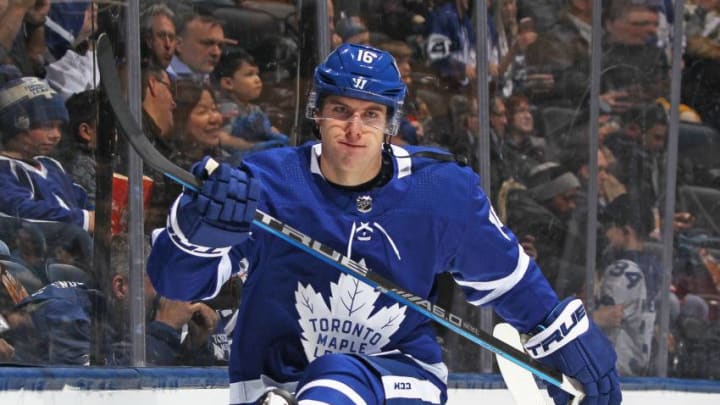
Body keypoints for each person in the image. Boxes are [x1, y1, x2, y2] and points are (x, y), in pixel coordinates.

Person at [147, 43, 621, 405]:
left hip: (399, 375)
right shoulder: (267, 183)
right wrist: (200, 231)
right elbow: (173, 281)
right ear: (317, 112)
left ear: (391, 122)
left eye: (370, 114)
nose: (354, 128)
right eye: (341, 111)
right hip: (276, 378)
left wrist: (560, 339)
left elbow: (508, 280)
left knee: (335, 381)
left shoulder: (439, 192)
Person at [595, 193, 659, 376]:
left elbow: (604, 318)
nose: (606, 234)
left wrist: (592, 314)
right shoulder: (653, 268)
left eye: (610, 228)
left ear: (627, 231)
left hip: (614, 372)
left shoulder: (623, 270)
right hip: (638, 370)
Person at [168, 12, 225, 82]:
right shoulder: (159, 79)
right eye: (207, 43)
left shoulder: (216, 84)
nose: (216, 53)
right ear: (179, 45)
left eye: (220, 46)